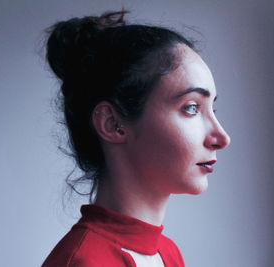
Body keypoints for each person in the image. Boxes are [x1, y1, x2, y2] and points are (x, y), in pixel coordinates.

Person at [42, 10, 230, 267]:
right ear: (113, 124)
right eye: (191, 107)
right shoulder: (85, 262)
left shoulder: (168, 254)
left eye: (212, 109)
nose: (222, 137)